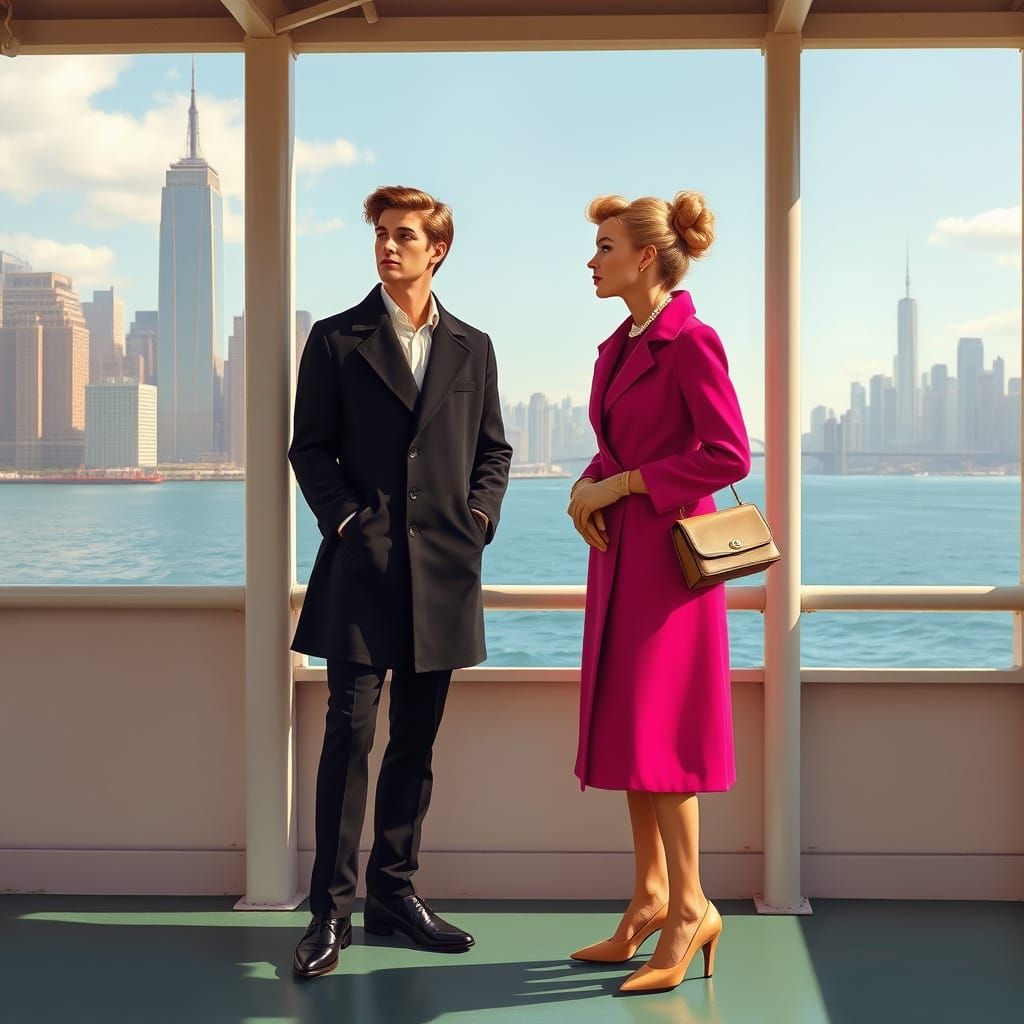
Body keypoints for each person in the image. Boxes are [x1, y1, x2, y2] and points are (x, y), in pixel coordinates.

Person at [289, 185, 512, 978]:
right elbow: (308, 450)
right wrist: (347, 522)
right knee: (346, 741)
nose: (389, 246)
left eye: (405, 235)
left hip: (442, 573)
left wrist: (476, 523)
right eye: (381, 233)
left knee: (415, 745)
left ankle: (395, 895)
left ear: (436, 249)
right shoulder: (335, 340)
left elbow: (493, 451)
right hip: (360, 570)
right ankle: (328, 912)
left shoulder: (472, 346)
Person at [566, 191, 751, 994]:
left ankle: (692, 908)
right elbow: (612, 449)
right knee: (635, 738)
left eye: (604, 246)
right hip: (620, 563)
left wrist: (629, 485)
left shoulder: (691, 342)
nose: (592, 259)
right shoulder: (617, 347)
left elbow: (728, 454)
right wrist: (587, 485)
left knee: (666, 747)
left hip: (669, 569)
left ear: (646, 256)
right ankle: (648, 899)